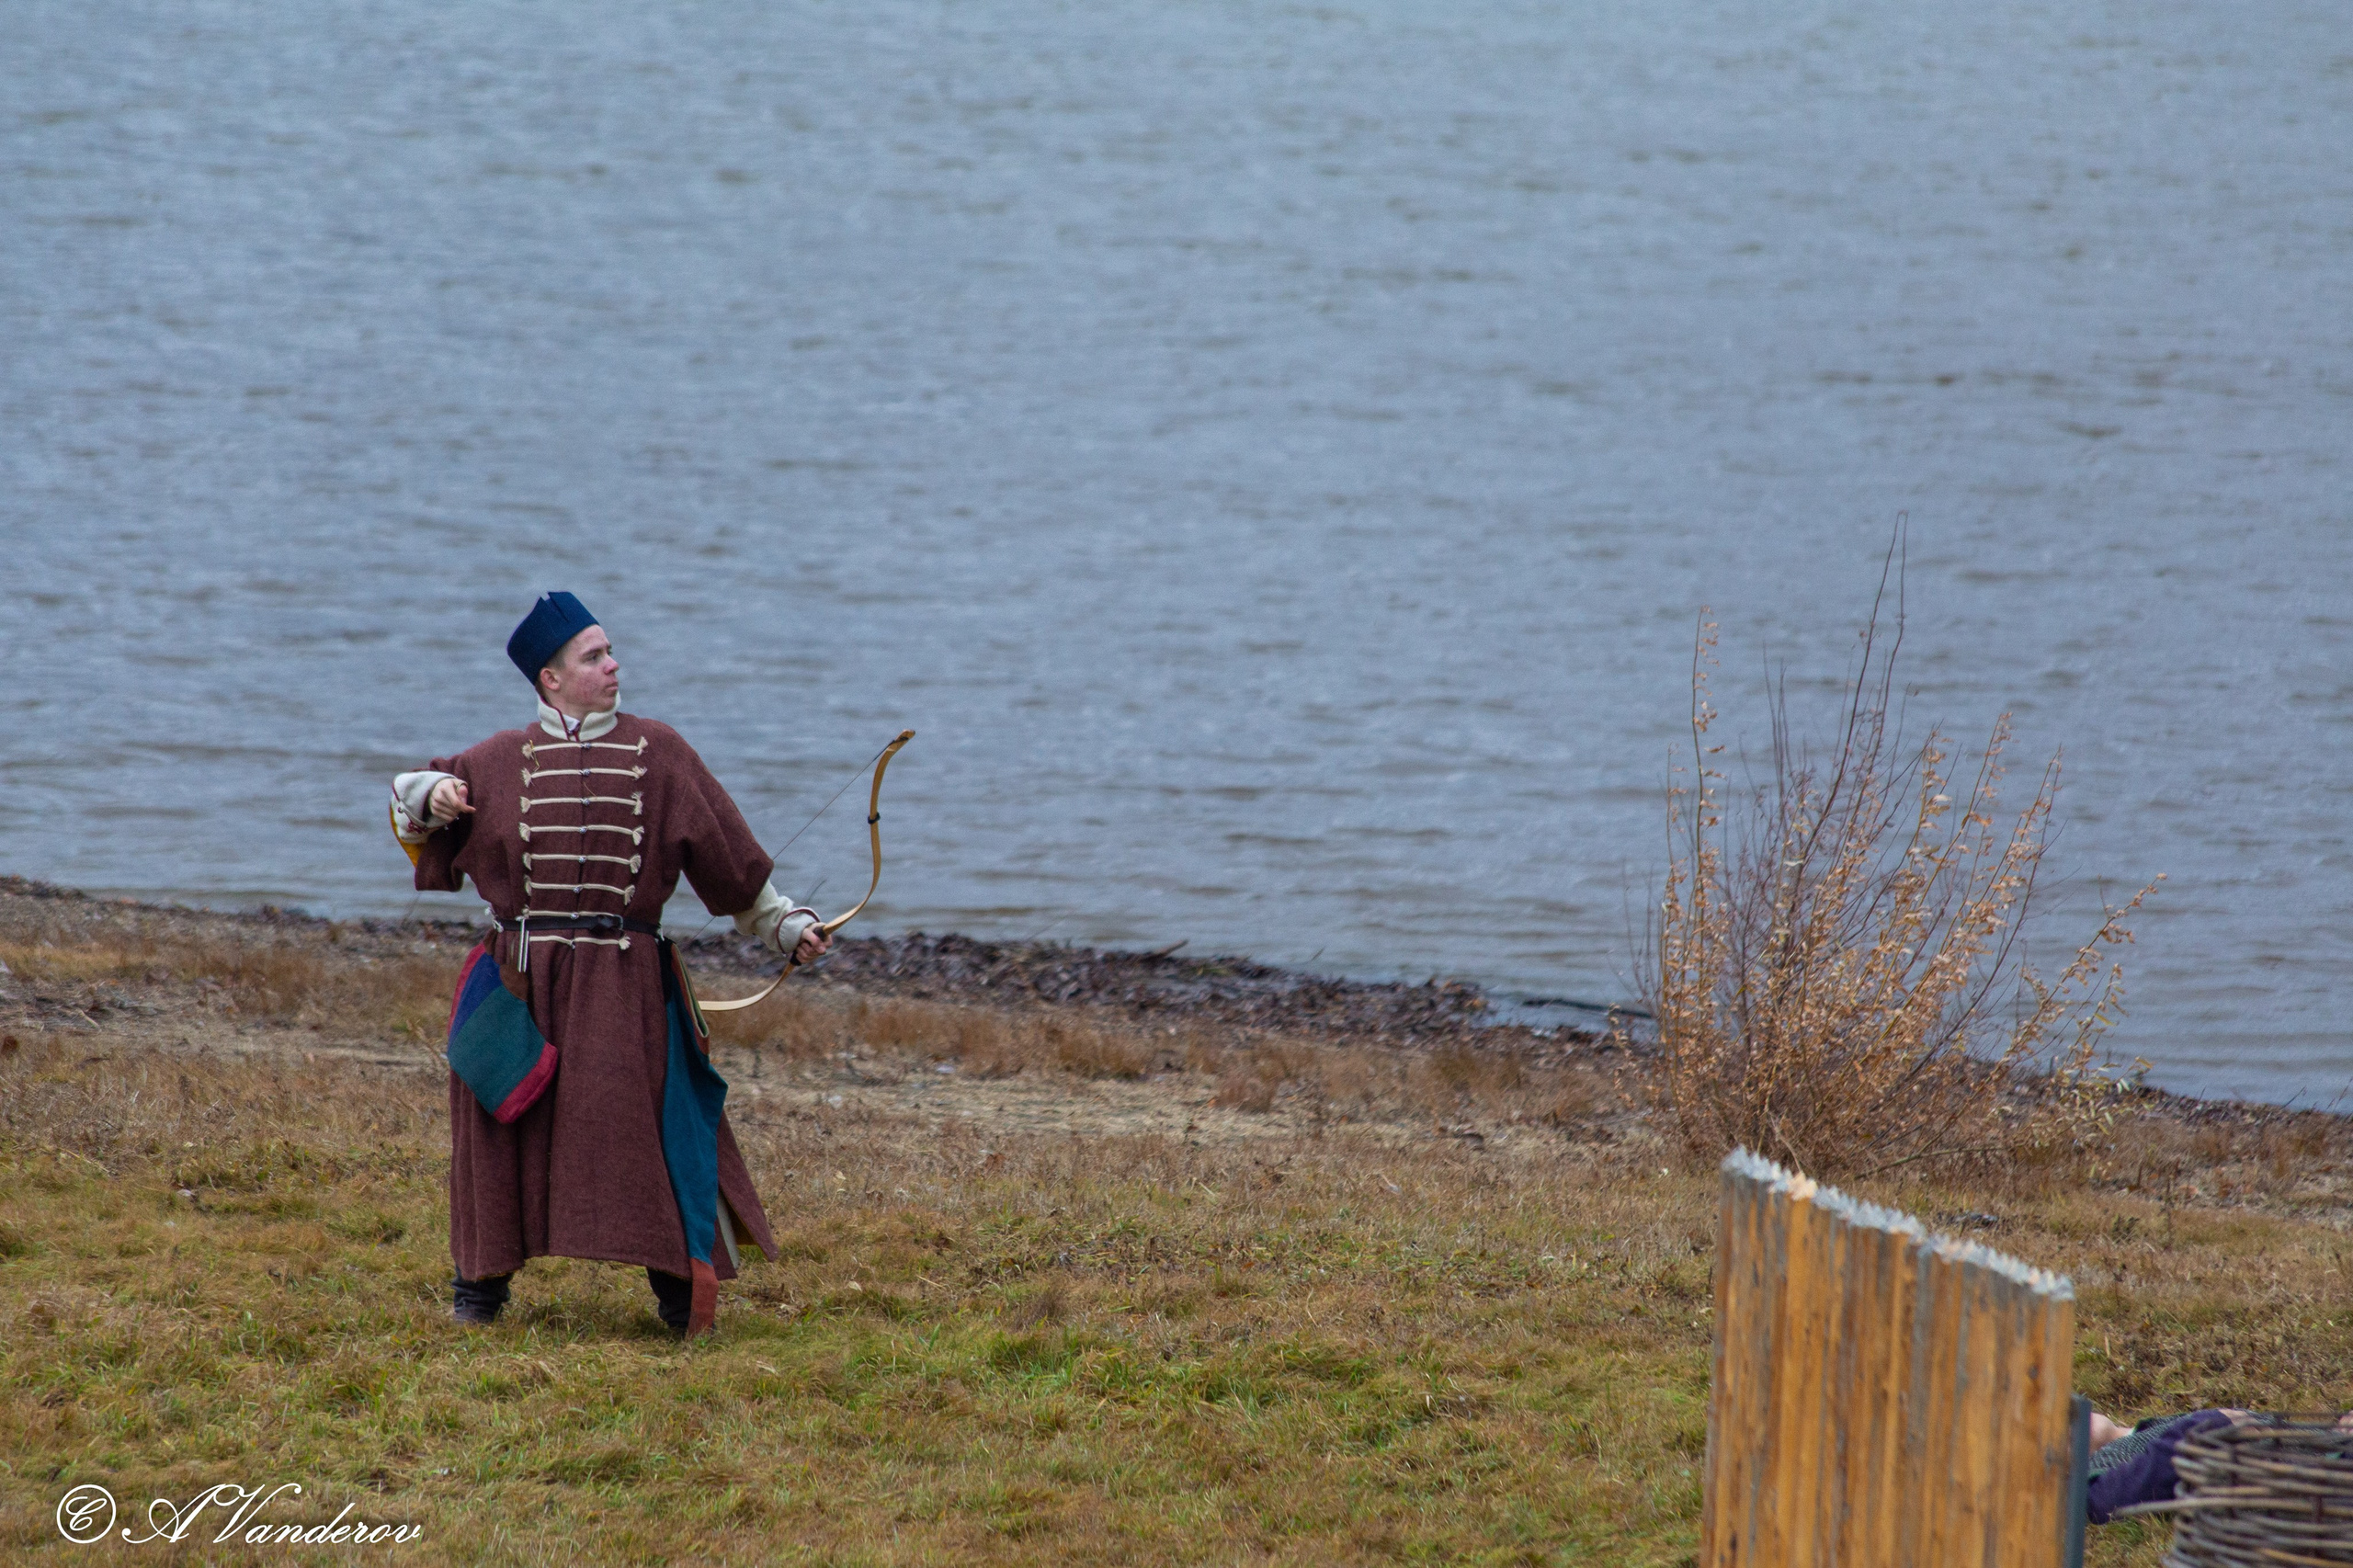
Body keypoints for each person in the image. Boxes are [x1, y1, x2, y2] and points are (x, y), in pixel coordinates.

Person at [390, 591, 827, 1336]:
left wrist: (784, 926)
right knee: (501, 1126)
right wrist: (433, 793)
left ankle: (679, 1293)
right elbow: (409, 806)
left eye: (610, 650)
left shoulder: (661, 752)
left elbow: (733, 868)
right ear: (550, 679)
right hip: (521, 981)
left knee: (639, 1126)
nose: (614, 664)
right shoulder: (493, 762)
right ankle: (480, 1289)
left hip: (623, 986)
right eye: (594, 656)